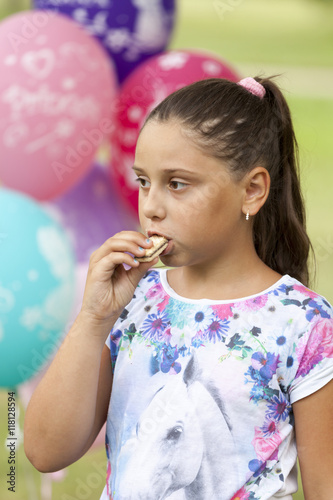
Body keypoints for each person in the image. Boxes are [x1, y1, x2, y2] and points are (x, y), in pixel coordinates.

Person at [24, 77, 333, 500]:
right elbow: (44, 450)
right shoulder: (133, 301)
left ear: (252, 190)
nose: (150, 206)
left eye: (177, 184)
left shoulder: (304, 322)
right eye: (143, 182)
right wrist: (94, 318)